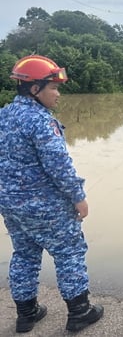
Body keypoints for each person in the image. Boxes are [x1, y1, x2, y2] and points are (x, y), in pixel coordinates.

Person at [0, 55, 103, 333]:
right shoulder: (40, 121)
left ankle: (26, 314)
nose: (58, 95)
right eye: (53, 88)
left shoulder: (4, 115)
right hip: (46, 206)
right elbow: (59, 166)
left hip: (11, 206)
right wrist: (78, 197)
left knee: (24, 254)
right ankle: (80, 312)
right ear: (35, 89)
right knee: (69, 252)